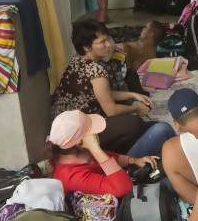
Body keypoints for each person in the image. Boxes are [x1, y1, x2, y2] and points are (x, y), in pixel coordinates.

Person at [51, 20, 175, 154]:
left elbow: (103, 93)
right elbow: (111, 110)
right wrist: (136, 108)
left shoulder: (76, 60)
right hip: (80, 134)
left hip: (63, 129)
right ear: (87, 47)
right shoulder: (96, 71)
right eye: (102, 42)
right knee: (134, 123)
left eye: (107, 39)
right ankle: (124, 154)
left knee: (146, 125)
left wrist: (133, 94)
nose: (109, 45)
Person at [46, 110, 160, 197]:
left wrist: (134, 160)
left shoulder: (77, 151)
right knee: (164, 182)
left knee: (161, 129)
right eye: (92, 132)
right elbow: (125, 189)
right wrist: (96, 149)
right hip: (115, 198)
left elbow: (108, 156)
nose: (96, 134)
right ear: (80, 142)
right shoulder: (71, 176)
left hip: (117, 176)